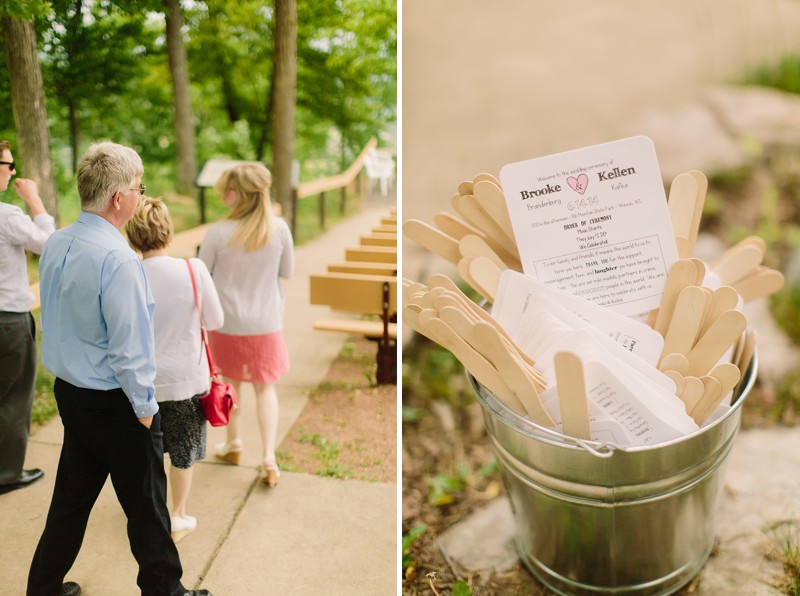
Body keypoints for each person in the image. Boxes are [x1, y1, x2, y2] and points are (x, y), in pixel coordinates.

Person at [27, 141, 210, 596]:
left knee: (71, 501)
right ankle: (167, 592)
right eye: (138, 186)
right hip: (117, 403)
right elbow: (131, 350)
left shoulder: (57, 241)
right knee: (147, 508)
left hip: (70, 391)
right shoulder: (119, 259)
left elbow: (53, 315)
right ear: (118, 197)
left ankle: (43, 588)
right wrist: (146, 410)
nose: (140, 193)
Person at [126, 196, 223, 542]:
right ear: (168, 230)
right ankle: (178, 515)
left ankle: (151, 514)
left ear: (132, 235)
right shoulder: (193, 269)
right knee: (183, 451)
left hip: (142, 385)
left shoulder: (129, 274)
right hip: (186, 381)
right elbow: (215, 319)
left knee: (146, 455)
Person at [198, 163, 293, 487]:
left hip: (226, 322)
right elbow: (287, 272)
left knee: (231, 383)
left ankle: (234, 442)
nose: (222, 193)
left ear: (238, 193)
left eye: (226, 188)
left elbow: (203, 275)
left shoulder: (217, 233)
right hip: (266, 321)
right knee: (265, 388)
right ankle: (268, 456)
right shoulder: (279, 229)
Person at [0, 140, 54, 495]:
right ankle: (6, 473)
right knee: (13, 398)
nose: (13, 170)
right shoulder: (7, 216)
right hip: (8, 321)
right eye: (8, 163)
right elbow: (50, 246)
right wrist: (35, 201)